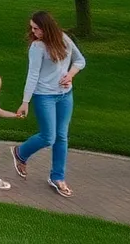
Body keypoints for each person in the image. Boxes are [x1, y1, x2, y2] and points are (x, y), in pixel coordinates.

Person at [12, 10, 87, 198]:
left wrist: (70, 75)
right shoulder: (37, 47)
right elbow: (33, 75)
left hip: (65, 96)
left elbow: (80, 61)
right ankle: (21, 153)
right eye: (32, 28)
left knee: (62, 137)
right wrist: (25, 102)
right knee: (48, 137)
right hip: (44, 96)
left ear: (47, 27)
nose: (33, 32)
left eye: (36, 28)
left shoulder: (64, 39)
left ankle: (57, 177)